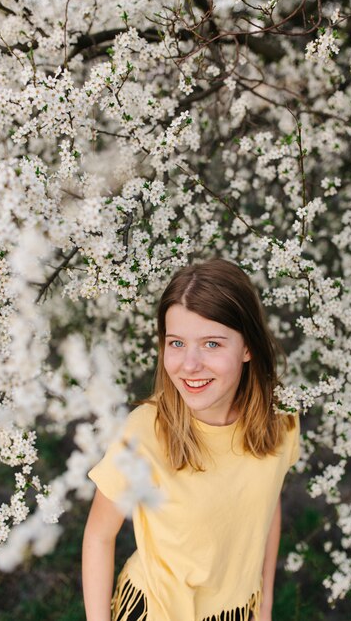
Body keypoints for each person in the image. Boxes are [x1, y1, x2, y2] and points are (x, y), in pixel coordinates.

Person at [82, 258, 300, 621]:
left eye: (212, 344)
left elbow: (266, 500)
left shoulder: (281, 418)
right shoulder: (144, 433)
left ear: (248, 347)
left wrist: (265, 601)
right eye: (177, 343)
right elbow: (99, 536)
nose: (189, 364)